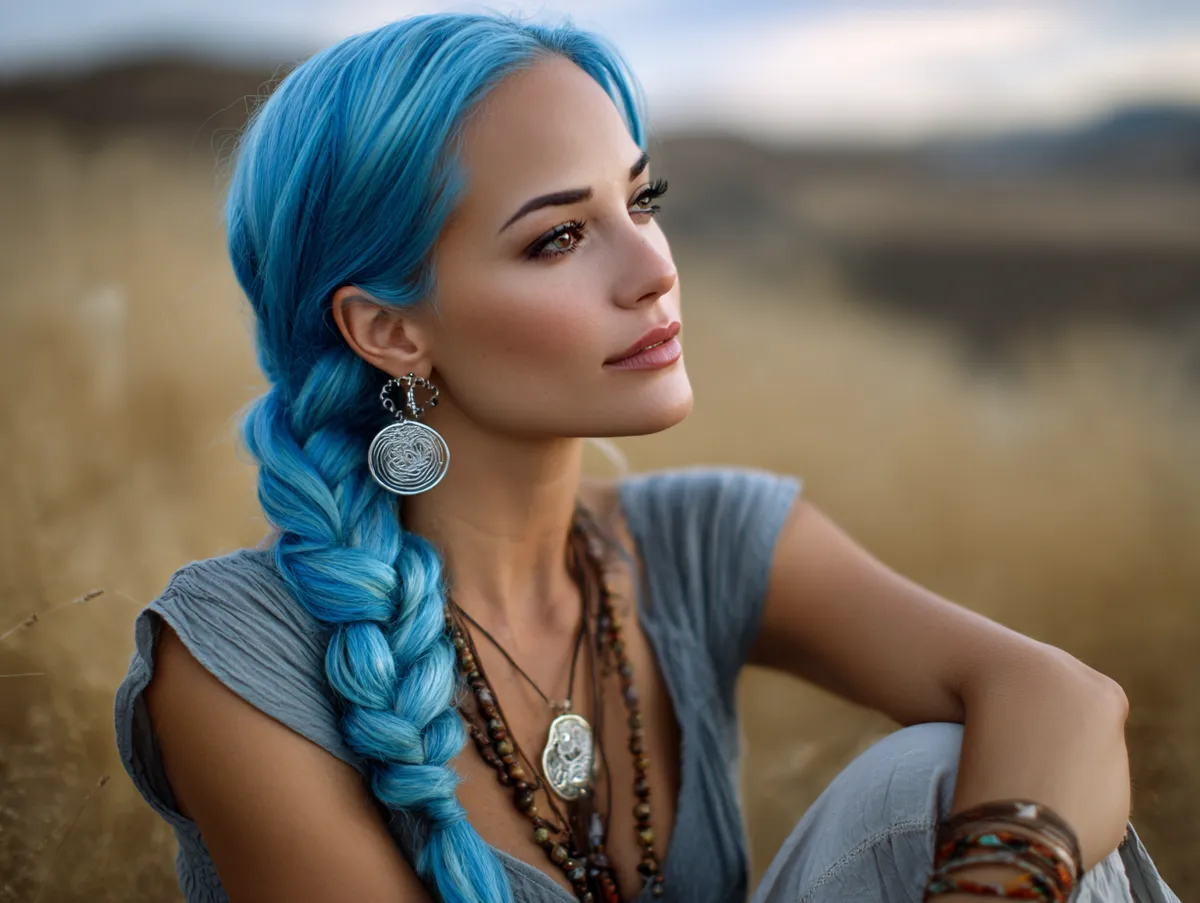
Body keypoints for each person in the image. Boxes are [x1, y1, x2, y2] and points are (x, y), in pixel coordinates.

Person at [113, 12, 1180, 903]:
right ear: (389, 329)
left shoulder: (700, 538)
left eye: (641, 200)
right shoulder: (232, 658)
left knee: (949, 778)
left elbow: (1061, 697)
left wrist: (992, 882)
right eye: (558, 238)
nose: (653, 270)